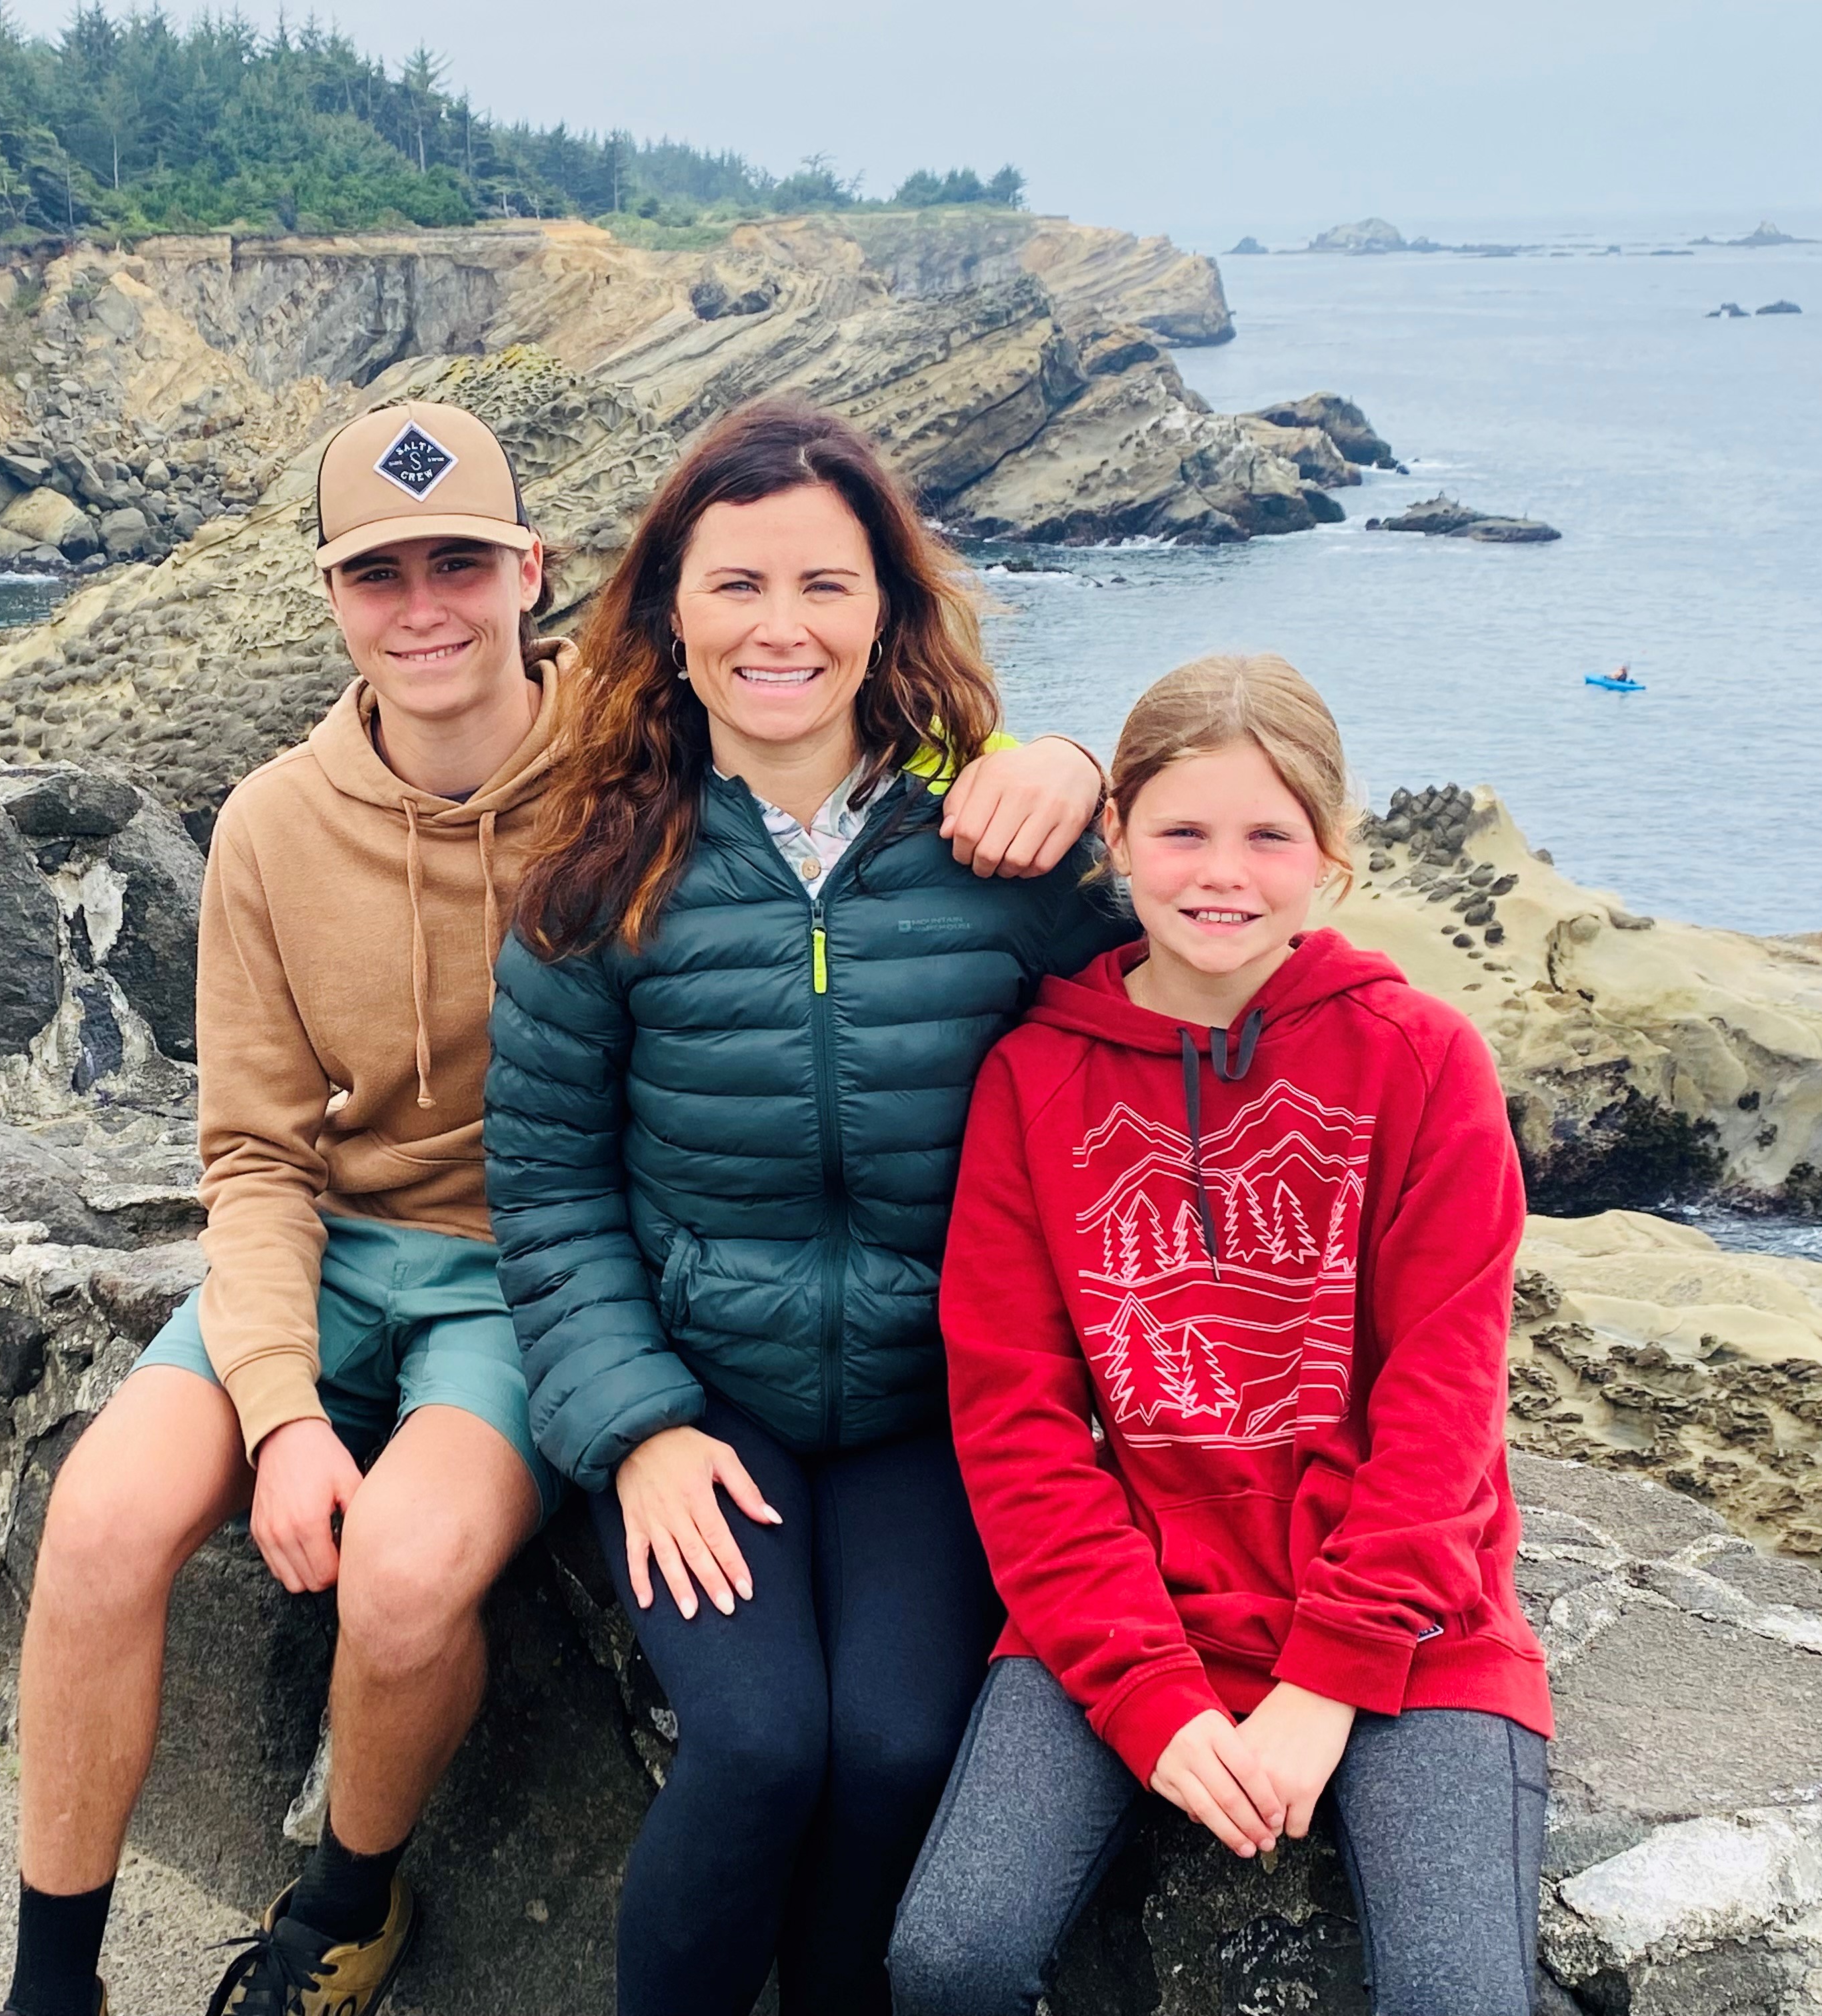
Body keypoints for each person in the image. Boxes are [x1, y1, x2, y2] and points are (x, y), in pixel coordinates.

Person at [0, 397, 1103, 2016]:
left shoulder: (623, 760)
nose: (427, 606)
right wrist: (281, 1402)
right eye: (381, 575)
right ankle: (49, 1985)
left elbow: (872, 751)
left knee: (417, 1572)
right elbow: (251, 1154)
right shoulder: (292, 826)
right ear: (329, 596)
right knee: (97, 1522)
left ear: (540, 573)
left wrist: (1061, 761)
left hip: (525, 1274)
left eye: (464, 563)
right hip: (388, 1255)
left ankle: (343, 1912)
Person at [485, 395, 1130, 2016]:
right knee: (762, 1741)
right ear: (669, 616)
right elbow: (548, 1186)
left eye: (827, 585)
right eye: (739, 585)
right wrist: (635, 1429)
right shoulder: (599, 866)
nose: (783, 626)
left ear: (888, 615)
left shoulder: (998, 850)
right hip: (714, 1398)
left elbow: (1182, 987)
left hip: (944, 1405)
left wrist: (1088, 768)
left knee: (902, 1745)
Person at [889, 655, 1553, 2016]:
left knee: (1459, 2001)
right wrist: (1150, 1697)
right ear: (1117, 834)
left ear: (1333, 857)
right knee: (944, 1959)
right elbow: (1014, 1421)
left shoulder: (1423, 1062)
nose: (1222, 874)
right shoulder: (1033, 1077)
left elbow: (1443, 1410)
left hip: (1408, 1621)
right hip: (1130, 1603)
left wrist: (1328, 1685)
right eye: (1182, 832)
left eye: (1270, 837)